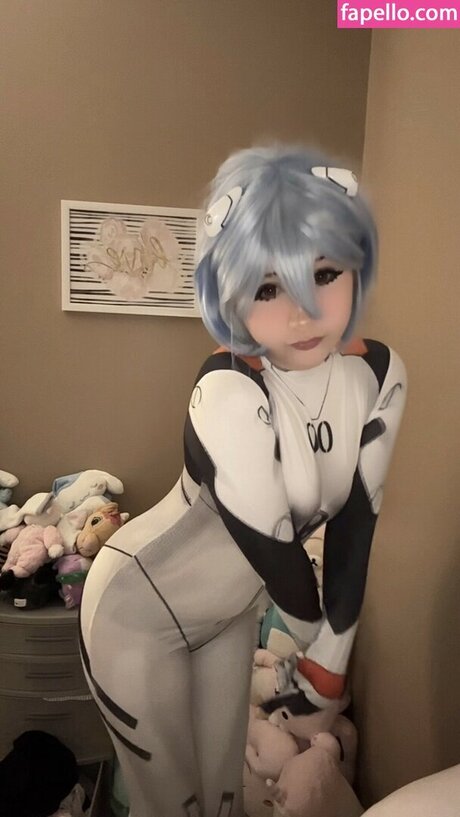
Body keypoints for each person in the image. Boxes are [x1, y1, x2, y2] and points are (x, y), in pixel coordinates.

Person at [79, 144, 406, 817]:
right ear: (230, 294)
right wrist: (321, 668)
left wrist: (326, 669)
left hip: (228, 617)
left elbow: (357, 526)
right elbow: (276, 552)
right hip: (134, 613)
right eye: (267, 287)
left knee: (226, 798)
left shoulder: (379, 375)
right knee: (174, 807)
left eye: (324, 273)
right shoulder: (227, 388)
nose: (302, 311)